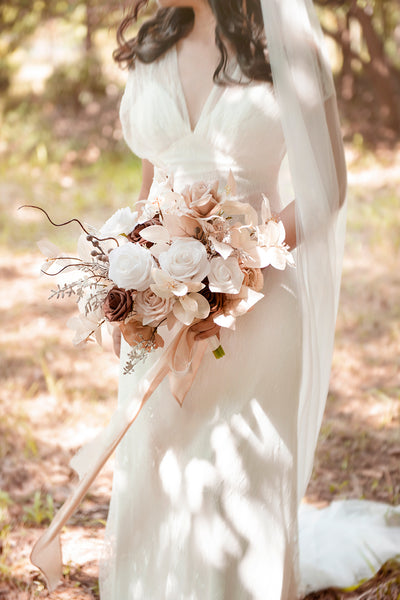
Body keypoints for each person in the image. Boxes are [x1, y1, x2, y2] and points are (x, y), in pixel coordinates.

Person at [31, 0, 400, 597]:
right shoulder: (151, 47)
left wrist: (239, 262)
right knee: (157, 465)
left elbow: (326, 185)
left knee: (236, 474)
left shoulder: (287, 50)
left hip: (260, 299)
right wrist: (128, 275)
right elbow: (153, 184)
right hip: (156, 296)